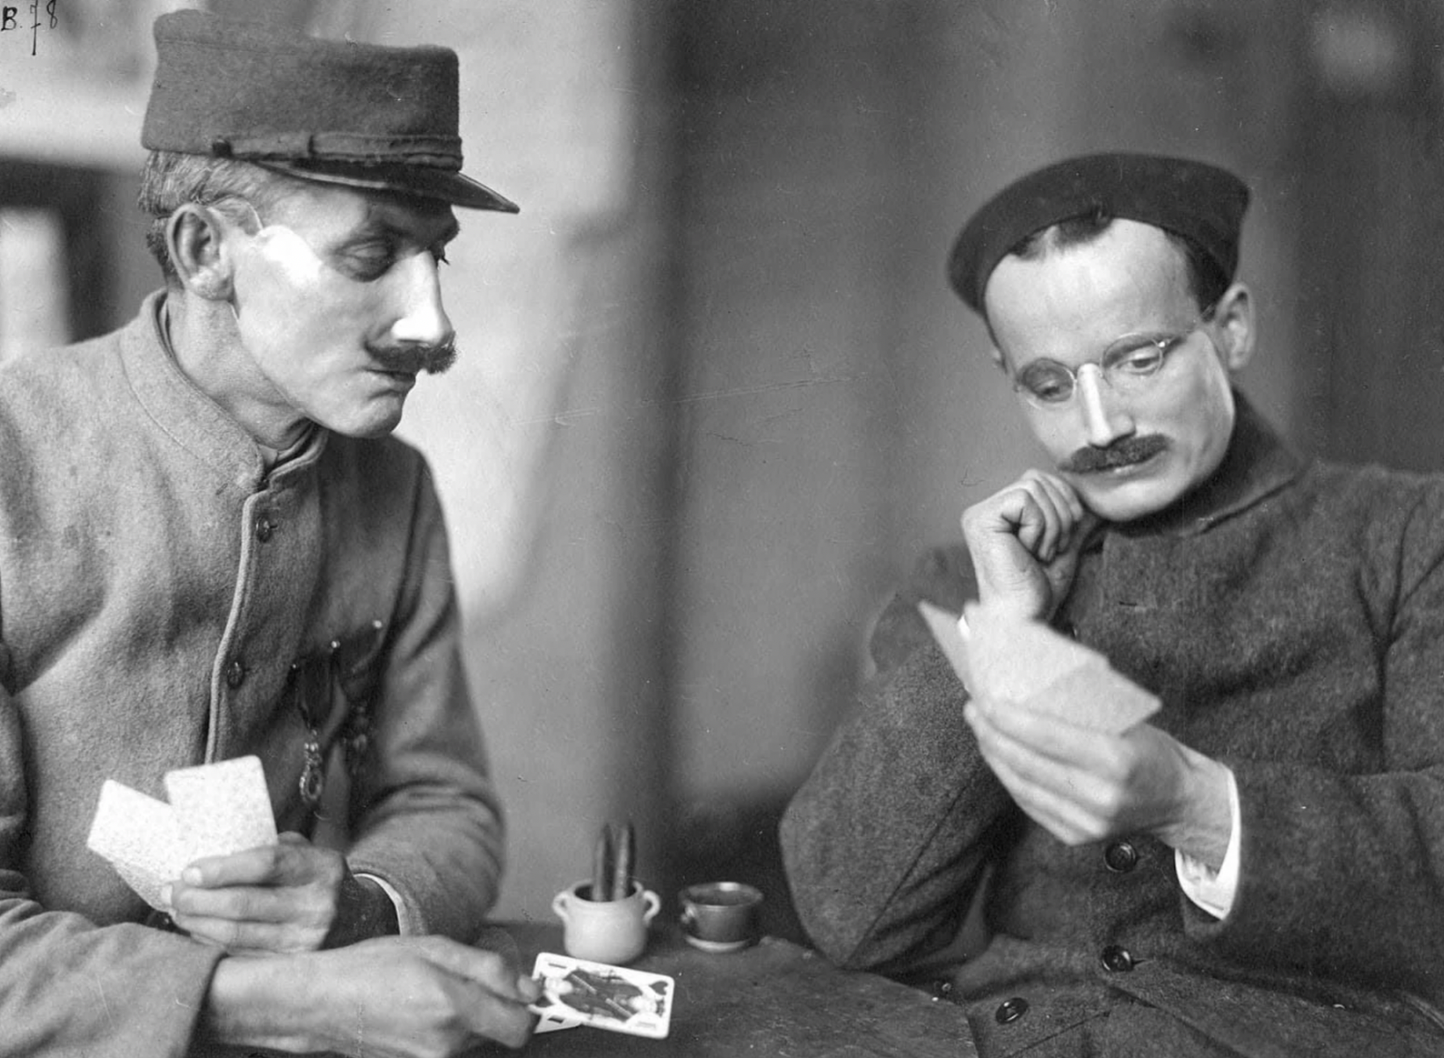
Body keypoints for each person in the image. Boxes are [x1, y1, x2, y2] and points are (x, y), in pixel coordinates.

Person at [779, 152, 1444, 1056]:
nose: (1098, 429)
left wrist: (1198, 806)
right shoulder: (971, 578)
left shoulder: (1406, 536)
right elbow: (848, 918)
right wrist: (1007, 630)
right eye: (1049, 385)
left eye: (1138, 360)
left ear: (1233, 328)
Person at [0, 10, 541, 1055]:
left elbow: (446, 801)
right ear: (207, 252)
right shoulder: (11, 464)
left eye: (435, 257)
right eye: (370, 255)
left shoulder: (397, 491)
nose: (432, 328)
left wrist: (365, 906)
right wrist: (278, 996)